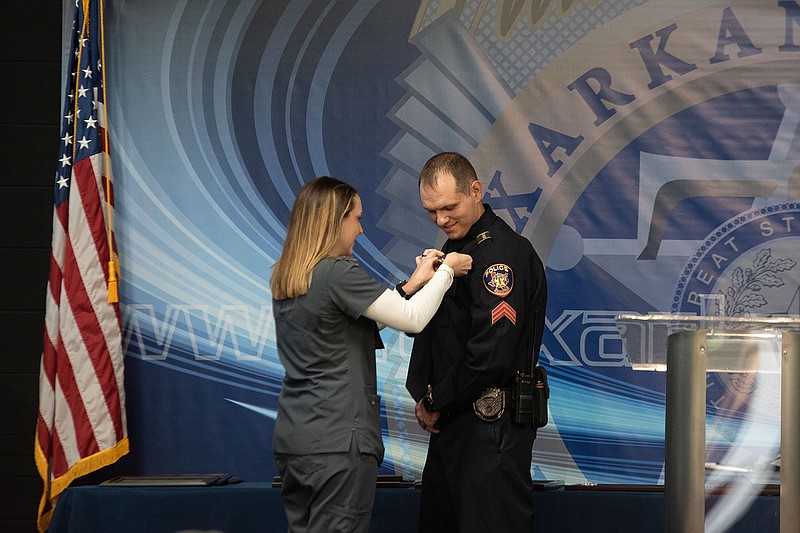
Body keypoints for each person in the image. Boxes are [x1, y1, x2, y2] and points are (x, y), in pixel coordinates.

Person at [270, 176, 472, 533]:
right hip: (338, 442)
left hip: (297, 440)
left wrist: (412, 284)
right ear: (335, 221)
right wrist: (447, 273)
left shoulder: (291, 275)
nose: (360, 230)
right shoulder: (336, 272)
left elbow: (349, 326)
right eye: (356, 218)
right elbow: (413, 320)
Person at [405, 152, 548, 532]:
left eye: (449, 207)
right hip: (458, 422)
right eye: (431, 211)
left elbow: (492, 353)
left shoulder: (498, 254)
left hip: (490, 427)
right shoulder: (455, 249)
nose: (441, 219)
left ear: (475, 191)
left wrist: (436, 400)